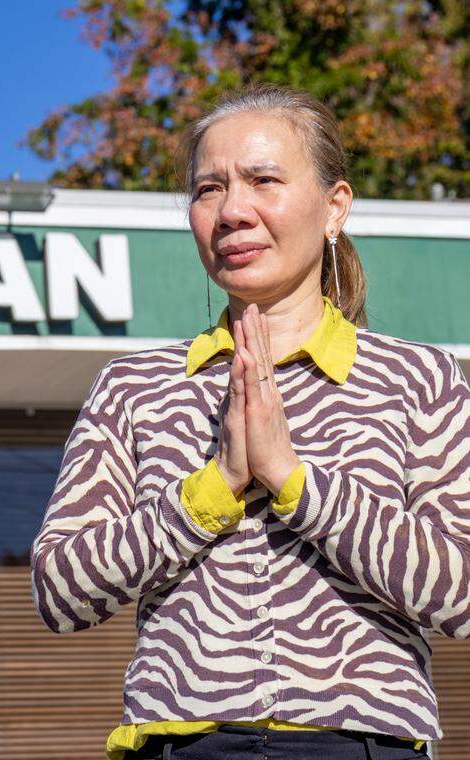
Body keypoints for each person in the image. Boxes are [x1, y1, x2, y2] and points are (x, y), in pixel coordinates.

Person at [30, 82, 469, 760]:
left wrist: (295, 482)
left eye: (263, 179)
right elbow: (60, 593)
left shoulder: (421, 381)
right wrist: (215, 487)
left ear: (335, 206)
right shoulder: (134, 387)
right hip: (179, 744)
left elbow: (461, 592)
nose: (234, 210)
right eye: (209, 190)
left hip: (361, 745)